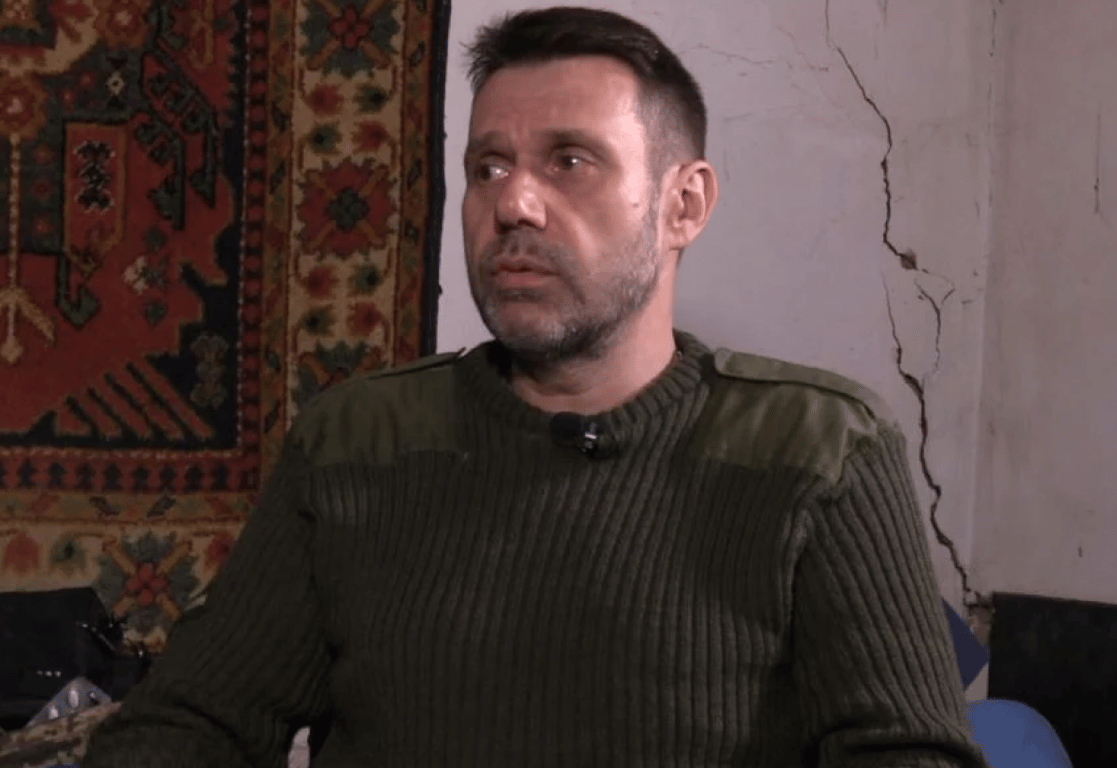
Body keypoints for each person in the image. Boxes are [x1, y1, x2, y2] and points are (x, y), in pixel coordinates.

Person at [81, 7, 987, 767]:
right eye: (489, 167)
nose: (512, 203)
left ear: (684, 204)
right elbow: (192, 724)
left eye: (570, 161)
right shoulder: (355, 441)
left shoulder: (820, 451)